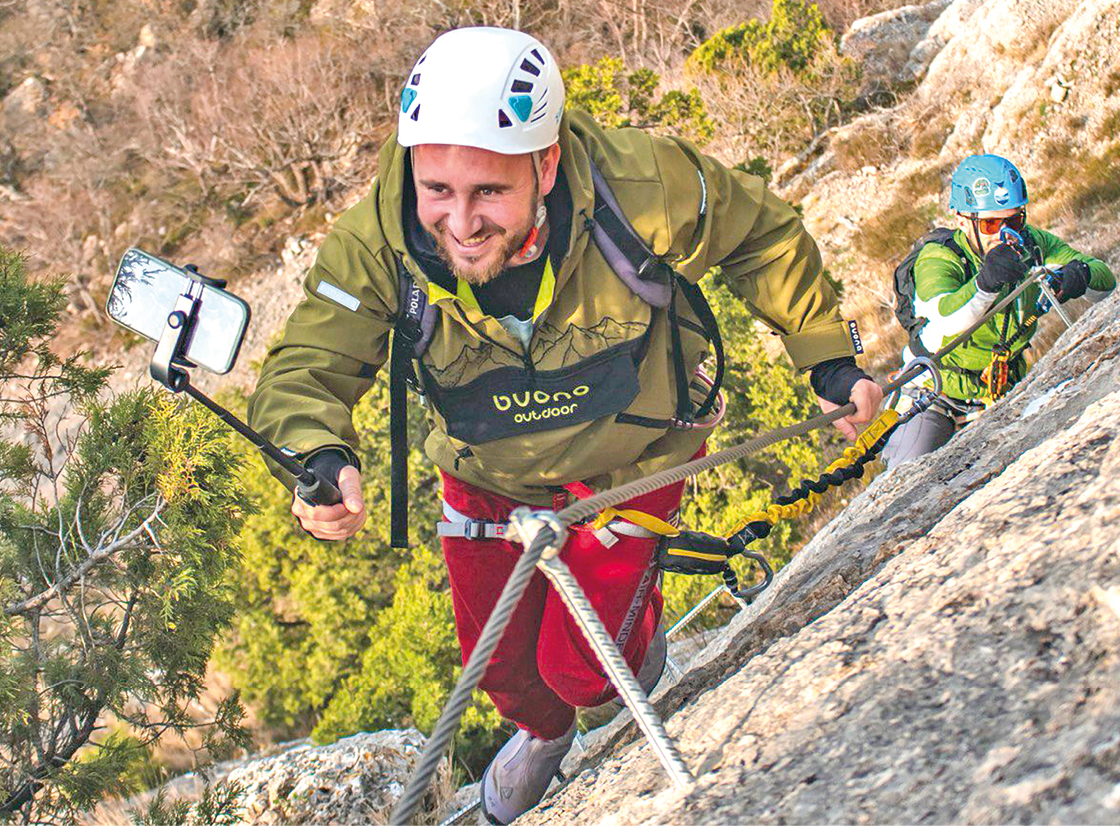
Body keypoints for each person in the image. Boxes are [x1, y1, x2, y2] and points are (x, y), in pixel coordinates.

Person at [247, 27, 880, 824]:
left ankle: (628, 650)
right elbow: (311, 361)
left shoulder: (636, 186)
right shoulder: (377, 240)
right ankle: (544, 738)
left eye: (488, 191)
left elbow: (758, 233)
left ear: (545, 166)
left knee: (586, 675)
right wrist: (316, 452)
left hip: (633, 457)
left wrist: (825, 358)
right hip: (485, 471)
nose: (460, 222)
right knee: (506, 679)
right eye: (436, 188)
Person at [883, 153, 1116, 469]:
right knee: (908, 475)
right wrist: (985, 282)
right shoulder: (940, 258)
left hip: (1004, 390)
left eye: (1014, 221)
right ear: (962, 220)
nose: (1004, 234)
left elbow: (1105, 282)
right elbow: (948, 317)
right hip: (935, 395)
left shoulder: (1034, 245)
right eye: (990, 223)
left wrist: (1078, 276)